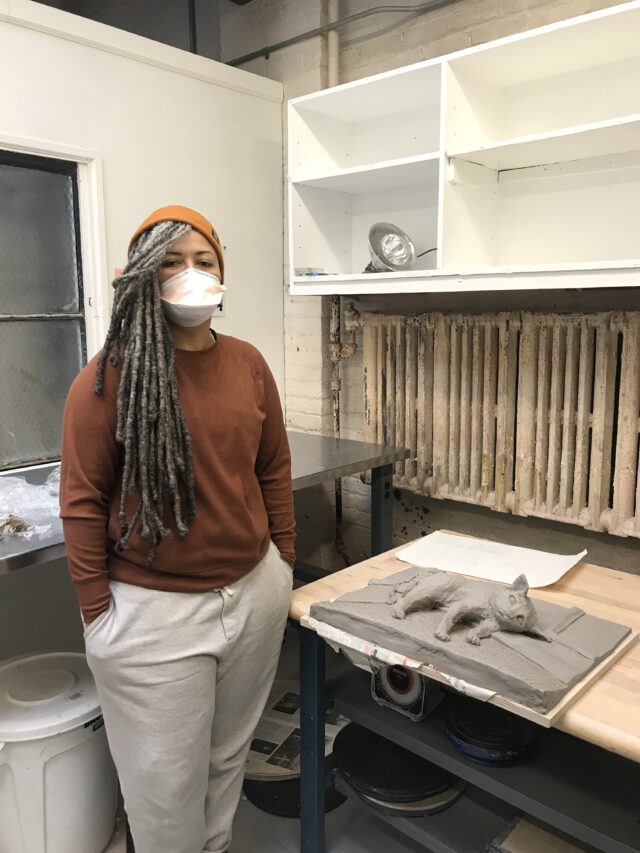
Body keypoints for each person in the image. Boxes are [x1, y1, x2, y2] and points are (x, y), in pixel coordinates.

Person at [60, 204, 295, 853]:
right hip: (153, 617)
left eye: (203, 260)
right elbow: (81, 501)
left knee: (226, 762)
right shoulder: (106, 380)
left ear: (222, 272)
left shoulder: (249, 364)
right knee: (164, 792)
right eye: (170, 262)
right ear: (141, 276)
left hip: (253, 593)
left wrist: (283, 560)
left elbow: (273, 465)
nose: (190, 273)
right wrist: (98, 616)